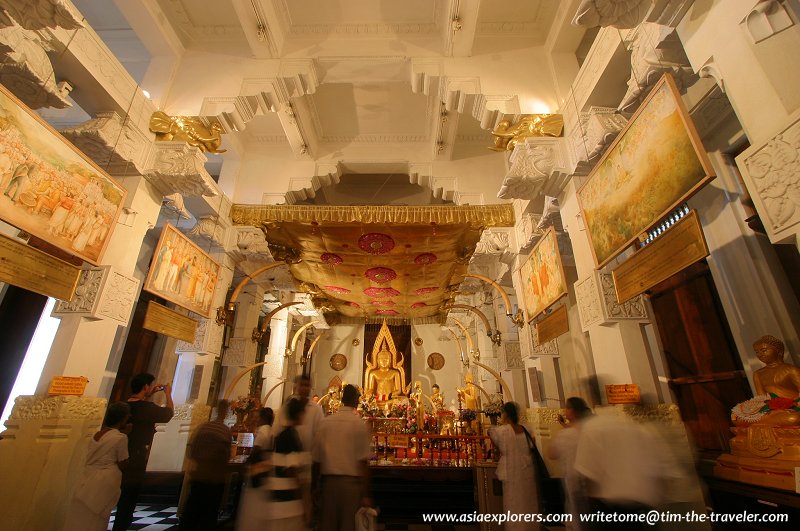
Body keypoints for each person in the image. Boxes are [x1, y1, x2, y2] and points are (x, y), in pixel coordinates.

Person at [113, 373, 174, 531]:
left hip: (116, 458)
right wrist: (167, 394)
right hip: (135, 458)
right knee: (128, 497)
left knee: (118, 496)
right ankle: (121, 525)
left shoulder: (122, 406)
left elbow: (139, 407)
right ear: (146, 387)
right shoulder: (146, 409)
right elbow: (168, 413)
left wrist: (149, 394)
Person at [62, 402, 130, 531]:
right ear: (123, 419)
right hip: (105, 479)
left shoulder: (95, 434)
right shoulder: (120, 438)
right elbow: (123, 462)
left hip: (87, 476)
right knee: (97, 517)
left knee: (83, 514)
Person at [313, 384, 372, 531]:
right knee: (348, 525)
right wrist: (365, 494)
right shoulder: (358, 424)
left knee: (328, 524)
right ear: (354, 400)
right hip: (350, 485)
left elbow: (316, 459)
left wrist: (314, 487)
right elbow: (362, 462)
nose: (359, 400)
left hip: (328, 484)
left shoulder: (326, 422)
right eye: (358, 397)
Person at [180, 399, 233, 531]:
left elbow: (192, 449)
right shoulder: (224, 430)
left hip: (200, 475)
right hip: (213, 477)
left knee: (193, 511)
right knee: (209, 513)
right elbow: (226, 455)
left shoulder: (204, 427)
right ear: (225, 413)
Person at [489, 402, 539, 531]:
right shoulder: (526, 429)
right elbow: (532, 445)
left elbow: (495, 445)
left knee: (513, 503)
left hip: (512, 471)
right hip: (527, 470)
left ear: (505, 414)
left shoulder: (502, 431)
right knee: (528, 503)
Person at [548, 397, 593, 530]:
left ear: (575, 412)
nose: (565, 410)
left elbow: (552, 453)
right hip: (591, 480)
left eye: (568, 408)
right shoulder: (590, 430)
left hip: (574, 479)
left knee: (577, 518)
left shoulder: (566, 435)